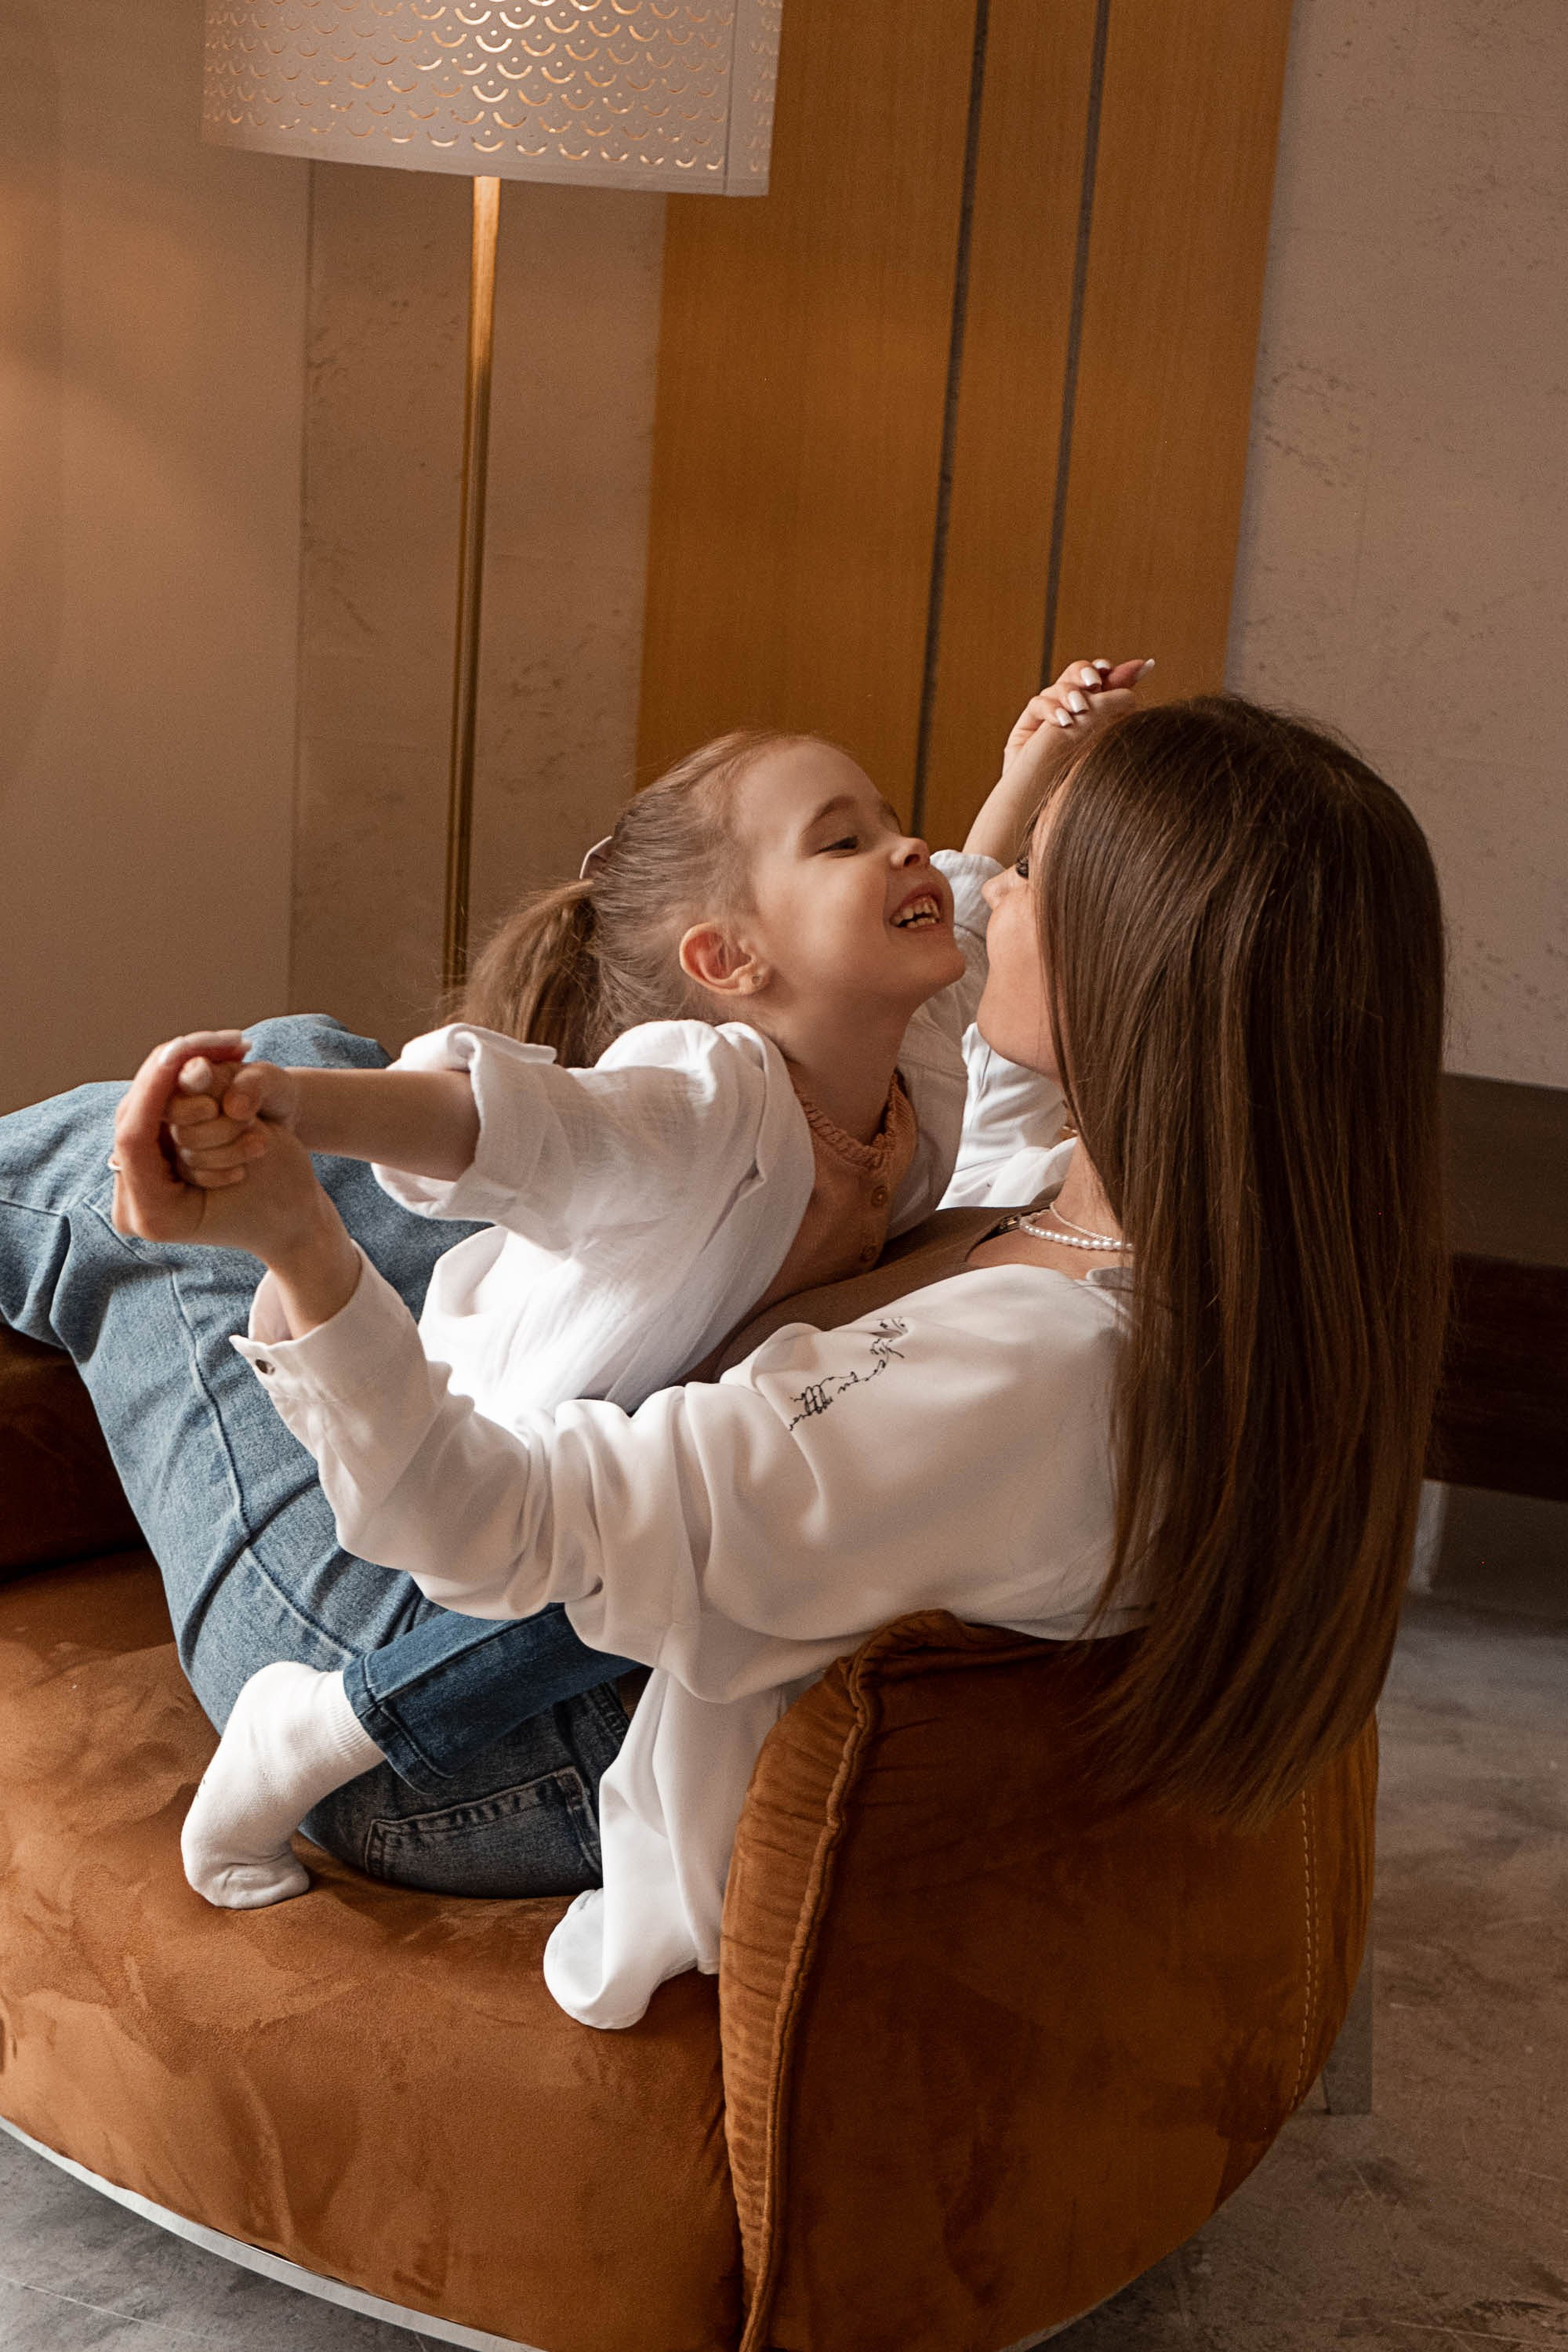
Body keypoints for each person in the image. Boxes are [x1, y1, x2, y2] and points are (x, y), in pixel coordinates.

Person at [107, 692, 1449, 2031]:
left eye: (1037, 877)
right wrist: (1017, 794)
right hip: (596, 1595)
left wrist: (301, 1246)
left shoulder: (1018, 1385)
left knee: (118, 1175)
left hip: (466, 1764)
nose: (995, 901)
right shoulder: (1161, 1230)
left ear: (1130, 978)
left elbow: (484, 1530)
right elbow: (991, 1101)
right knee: (313, 1065)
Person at [0, 670, 1118, 1926]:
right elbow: (502, 1116)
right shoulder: (769, 1106)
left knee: (115, 1163)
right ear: (728, 961)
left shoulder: (940, 1169)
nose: (934, 859)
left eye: (887, 824)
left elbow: (960, 923)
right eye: (849, 836)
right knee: (311, 1046)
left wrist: (296, 1213)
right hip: (499, 1451)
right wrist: (293, 1107)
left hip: (436, 1604)